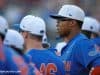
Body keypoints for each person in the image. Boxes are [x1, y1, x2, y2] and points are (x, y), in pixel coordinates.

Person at [50, 4, 100, 75]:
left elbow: (98, 66)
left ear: (72, 23)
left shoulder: (82, 43)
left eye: (61, 20)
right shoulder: (68, 46)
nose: (57, 23)